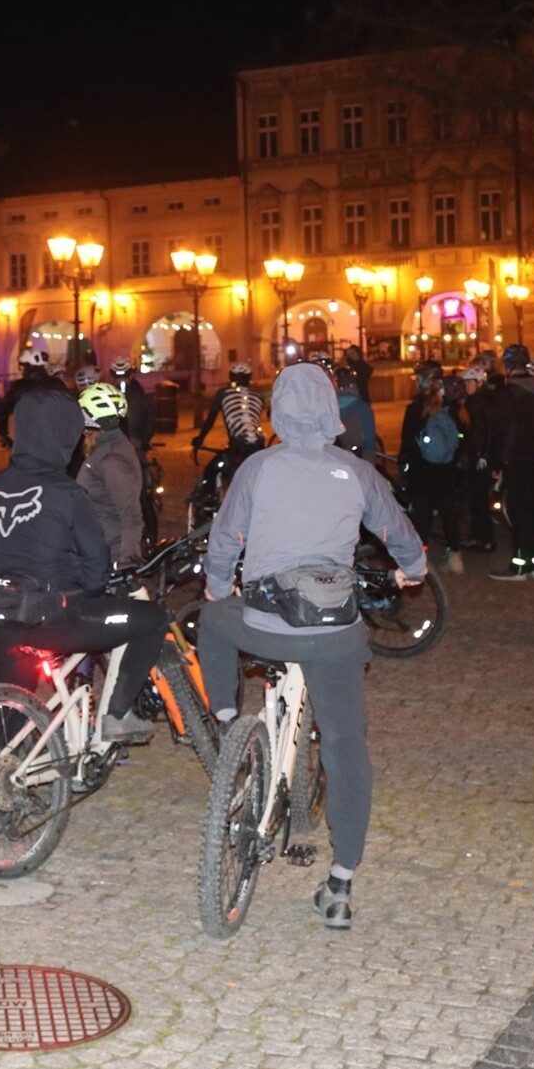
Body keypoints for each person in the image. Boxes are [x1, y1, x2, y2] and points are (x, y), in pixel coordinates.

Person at [198, 364, 426, 931]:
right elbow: (400, 534)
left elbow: (224, 538)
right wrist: (412, 571)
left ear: (275, 408)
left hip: (264, 620)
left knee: (213, 620)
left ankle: (228, 720)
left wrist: (217, 583)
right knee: (347, 747)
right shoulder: (356, 472)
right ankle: (342, 882)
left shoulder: (258, 468)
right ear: (332, 411)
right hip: (332, 632)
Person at [0, 390, 166, 743]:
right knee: (152, 618)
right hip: (56, 618)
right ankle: (116, 716)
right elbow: (96, 567)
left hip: (1, 616)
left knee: (9, 706)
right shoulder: (67, 492)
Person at [486, 345, 534, 579]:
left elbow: (500, 430)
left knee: (519, 510)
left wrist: (495, 462)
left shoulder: (510, 393)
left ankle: (518, 565)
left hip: (516, 458)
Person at [398, 362, 465, 572]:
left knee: (422, 515)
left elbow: (407, 441)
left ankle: (421, 558)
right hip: (446, 471)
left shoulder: (415, 409)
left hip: (422, 470)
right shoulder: (451, 407)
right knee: (448, 513)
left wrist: (405, 464)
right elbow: (461, 437)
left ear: (423, 380)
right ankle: (455, 557)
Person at [74, 382, 145, 568]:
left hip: (109, 557)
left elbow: (131, 517)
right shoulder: (106, 448)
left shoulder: (111, 459)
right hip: (96, 551)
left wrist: (125, 568)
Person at [192, 362, 267, 489]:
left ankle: (208, 500)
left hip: (237, 444)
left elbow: (210, 420)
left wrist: (200, 438)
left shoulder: (223, 393)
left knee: (211, 471)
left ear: (232, 378)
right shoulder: (258, 396)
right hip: (259, 444)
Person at [458, 367, 498, 551]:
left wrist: (484, 455)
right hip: (474, 454)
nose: (466, 386)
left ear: (479, 383)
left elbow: (488, 430)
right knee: (475, 498)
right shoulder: (473, 401)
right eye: (465, 383)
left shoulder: (482, 401)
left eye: (469, 382)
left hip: (479, 457)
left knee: (480, 499)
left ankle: (486, 539)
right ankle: (478, 536)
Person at [0, 349, 66, 448]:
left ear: (26, 367)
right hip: (56, 440)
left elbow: (2, 411)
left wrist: (3, 434)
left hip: (27, 442)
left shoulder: (19, 387)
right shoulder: (57, 384)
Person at [111, 357, 154, 454]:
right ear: (130, 375)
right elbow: (150, 424)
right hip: (136, 447)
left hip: (112, 449)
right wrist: (142, 441)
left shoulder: (104, 396)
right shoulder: (141, 396)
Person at [334, 367, 378, 461]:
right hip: (359, 456)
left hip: (337, 457)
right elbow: (369, 438)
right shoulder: (362, 407)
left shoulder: (330, 409)